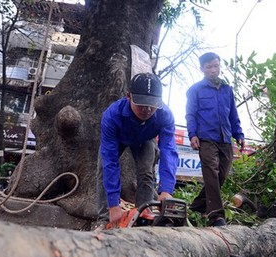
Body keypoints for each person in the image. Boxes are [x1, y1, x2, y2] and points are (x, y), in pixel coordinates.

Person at [95, 72, 179, 229]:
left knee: (146, 172)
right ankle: (103, 219)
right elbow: (110, 162)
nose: (147, 110)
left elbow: (169, 150)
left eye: (152, 105)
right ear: (129, 96)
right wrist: (113, 204)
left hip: (145, 139)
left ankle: (143, 218)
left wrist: (166, 190)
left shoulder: (165, 116)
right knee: (102, 169)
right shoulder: (112, 116)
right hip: (119, 137)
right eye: (141, 104)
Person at [185, 52, 245, 227]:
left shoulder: (227, 89)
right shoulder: (195, 90)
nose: (213, 70)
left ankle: (197, 206)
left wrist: (239, 134)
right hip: (206, 138)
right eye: (209, 67)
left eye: (216, 66)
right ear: (202, 69)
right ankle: (216, 216)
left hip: (225, 138)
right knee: (211, 173)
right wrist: (193, 134)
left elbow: (233, 114)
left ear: (219, 66)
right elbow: (191, 114)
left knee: (221, 175)